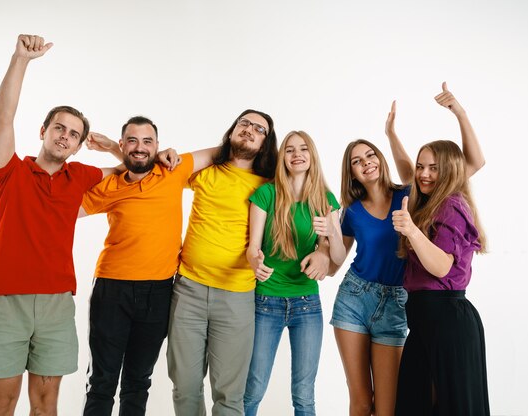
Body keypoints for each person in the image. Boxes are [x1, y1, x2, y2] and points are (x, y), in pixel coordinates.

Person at [0, 34, 113, 415]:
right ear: (43, 131)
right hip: (5, 300)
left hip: (56, 303)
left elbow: (135, 168)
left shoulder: (80, 175)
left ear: (79, 146)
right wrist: (21, 60)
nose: (65, 136)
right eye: (59, 128)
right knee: (2, 404)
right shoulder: (9, 172)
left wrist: (112, 147)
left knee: (46, 405)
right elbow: (2, 118)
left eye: (74, 134)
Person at [313, 83, 485, 415]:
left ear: (380, 159)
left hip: (397, 302)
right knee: (362, 402)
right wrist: (329, 238)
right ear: (350, 172)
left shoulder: (409, 193)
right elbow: (335, 263)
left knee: (391, 406)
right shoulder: (351, 210)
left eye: (370, 155)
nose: (365, 163)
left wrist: (391, 134)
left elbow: (467, 164)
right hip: (355, 298)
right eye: (356, 161)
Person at [79, 117, 217, 416]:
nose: (139, 147)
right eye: (132, 141)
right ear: (121, 145)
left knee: (138, 381)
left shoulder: (173, 171)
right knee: (102, 381)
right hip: (111, 289)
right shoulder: (109, 186)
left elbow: (221, 152)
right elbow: (62, 210)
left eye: (147, 142)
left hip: (158, 292)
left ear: (157, 147)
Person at [167, 110, 284, 416]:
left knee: (230, 394)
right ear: (232, 130)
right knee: (185, 386)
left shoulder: (269, 186)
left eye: (259, 129)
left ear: (265, 143)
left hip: (236, 296)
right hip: (188, 291)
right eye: (244, 123)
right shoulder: (206, 171)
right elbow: (160, 172)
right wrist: (119, 149)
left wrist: (325, 247)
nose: (250, 130)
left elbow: (311, 199)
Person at [243, 131, 347, 416]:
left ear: (312, 155)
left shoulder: (325, 200)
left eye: (303, 149)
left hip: (306, 304)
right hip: (266, 301)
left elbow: (336, 259)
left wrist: (328, 243)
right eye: (289, 150)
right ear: (282, 157)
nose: (297, 154)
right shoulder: (267, 194)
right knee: (253, 387)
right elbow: (253, 247)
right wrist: (255, 261)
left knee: (303, 394)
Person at [392, 138, 489, 415]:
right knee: (416, 403)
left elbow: (442, 267)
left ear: (449, 171)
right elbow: (406, 171)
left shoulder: (451, 205)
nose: (424, 174)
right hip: (425, 323)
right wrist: (391, 134)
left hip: (448, 321)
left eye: (433, 168)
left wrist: (411, 231)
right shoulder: (429, 202)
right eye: (421, 167)